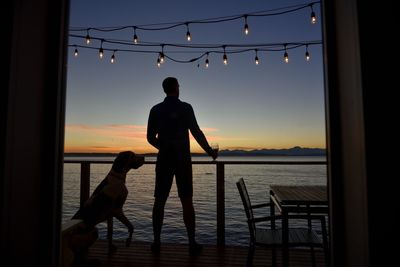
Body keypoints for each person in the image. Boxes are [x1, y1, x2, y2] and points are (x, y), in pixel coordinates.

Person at [147, 77, 218, 255]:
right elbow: (196, 132)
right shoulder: (185, 108)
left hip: (164, 160)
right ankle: (192, 243)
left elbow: (149, 137)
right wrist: (209, 151)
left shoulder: (156, 109)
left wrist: (163, 147)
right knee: (187, 201)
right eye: (179, 86)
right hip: (182, 161)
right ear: (177, 88)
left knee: (159, 201)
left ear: (164, 89)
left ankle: (156, 242)